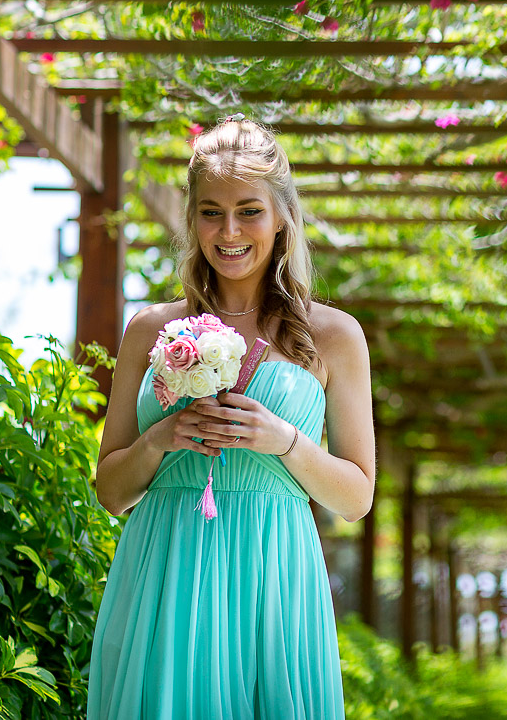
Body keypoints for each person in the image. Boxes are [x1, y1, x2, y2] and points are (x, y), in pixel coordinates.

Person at [87, 116, 375, 719]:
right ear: (191, 220)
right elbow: (112, 492)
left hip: (275, 578)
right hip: (167, 571)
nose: (230, 231)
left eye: (249, 211)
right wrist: (160, 440)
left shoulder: (334, 336)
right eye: (211, 212)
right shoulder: (149, 331)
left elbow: (356, 497)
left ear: (281, 219)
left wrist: (284, 441)